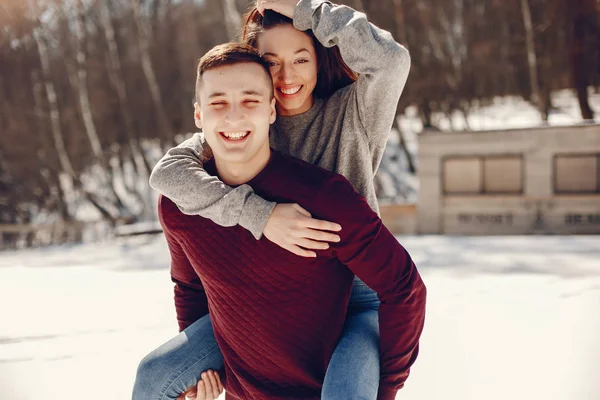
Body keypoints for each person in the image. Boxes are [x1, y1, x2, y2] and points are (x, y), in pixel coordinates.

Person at [145, 0, 411, 397]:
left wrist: (308, 9)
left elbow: (391, 61)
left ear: (320, 60)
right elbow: (168, 172)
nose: (287, 76)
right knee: (155, 377)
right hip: (273, 297)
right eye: (271, 61)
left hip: (352, 291)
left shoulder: (352, 114)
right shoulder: (249, 121)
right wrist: (260, 215)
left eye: (301, 59)